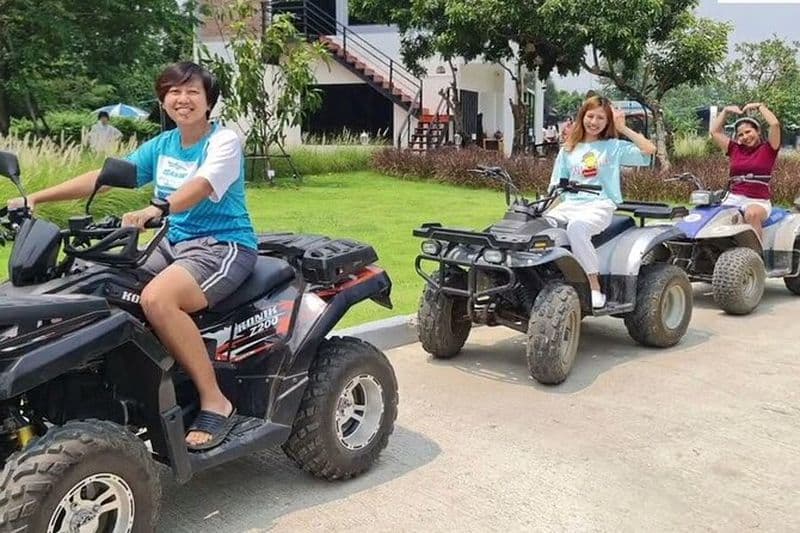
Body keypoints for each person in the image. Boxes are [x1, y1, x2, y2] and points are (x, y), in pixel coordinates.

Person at [9, 62, 257, 451]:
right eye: (173, 91)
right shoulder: (163, 144)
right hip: (173, 243)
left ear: (209, 100)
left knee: (158, 299)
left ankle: (214, 400)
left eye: (192, 91)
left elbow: (201, 184)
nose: (182, 99)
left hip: (221, 246)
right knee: (96, 283)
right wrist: (35, 197)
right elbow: (105, 178)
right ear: (163, 99)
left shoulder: (222, 141)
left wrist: (159, 207)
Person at [548, 95, 656, 309]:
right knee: (539, 227)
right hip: (569, 205)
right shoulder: (568, 149)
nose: (594, 122)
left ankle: (593, 284)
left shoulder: (613, 147)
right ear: (582, 116)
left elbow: (649, 150)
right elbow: (555, 186)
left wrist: (623, 128)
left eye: (601, 118)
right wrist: (544, 211)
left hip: (599, 205)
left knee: (577, 228)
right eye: (590, 116)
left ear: (608, 123)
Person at [710, 102, 781, 240]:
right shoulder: (734, 149)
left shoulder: (769, 149)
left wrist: (760, 106)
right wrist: (725, 111)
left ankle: (755, 256)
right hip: (733, 198)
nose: (745, 136)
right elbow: (715, 132)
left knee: (751, 214)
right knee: (710, 216)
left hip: (758, 200)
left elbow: (775, 124)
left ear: (758, 131)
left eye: (748, 131)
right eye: (740, 134)